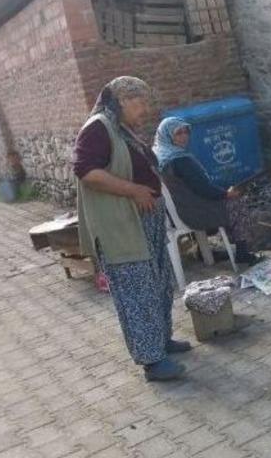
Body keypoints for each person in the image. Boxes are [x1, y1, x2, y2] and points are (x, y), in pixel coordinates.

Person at [73, 76, 189, 382]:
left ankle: (162, 341)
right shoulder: (98, 128)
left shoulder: (122, 129)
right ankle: (152, 361)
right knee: (137, 292)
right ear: (122, 100)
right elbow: (86, 171)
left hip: (145, 222)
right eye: (140, 102)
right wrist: (134, 191)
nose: (145, 110)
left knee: (158, 284)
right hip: (121, 227)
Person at [153, 116, 271, 262]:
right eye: (178, 133)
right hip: (193, 212)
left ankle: (204, 251)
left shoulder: (159, 155)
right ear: (167, 135)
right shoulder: (179, 159)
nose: (184, 136)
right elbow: (204, 189)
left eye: (185, 132)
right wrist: (227, 194)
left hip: (178, 211)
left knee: (229, 200)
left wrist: (222, 193)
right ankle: (242, 253)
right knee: (237, 204)